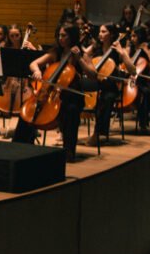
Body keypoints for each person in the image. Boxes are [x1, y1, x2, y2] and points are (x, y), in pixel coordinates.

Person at [12, 24, 91, 160]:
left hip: (71, 97)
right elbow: (34, 63)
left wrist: (79, 59)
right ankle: (19, 146)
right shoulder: (56, 52)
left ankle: (69, 151)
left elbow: (93, 74)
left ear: (72, 36)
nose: (60, 38)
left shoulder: (81, 54)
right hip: (50, 95)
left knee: (71, 110)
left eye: (64, 35)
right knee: (27, 110)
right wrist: (36, 70)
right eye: (59, 35)